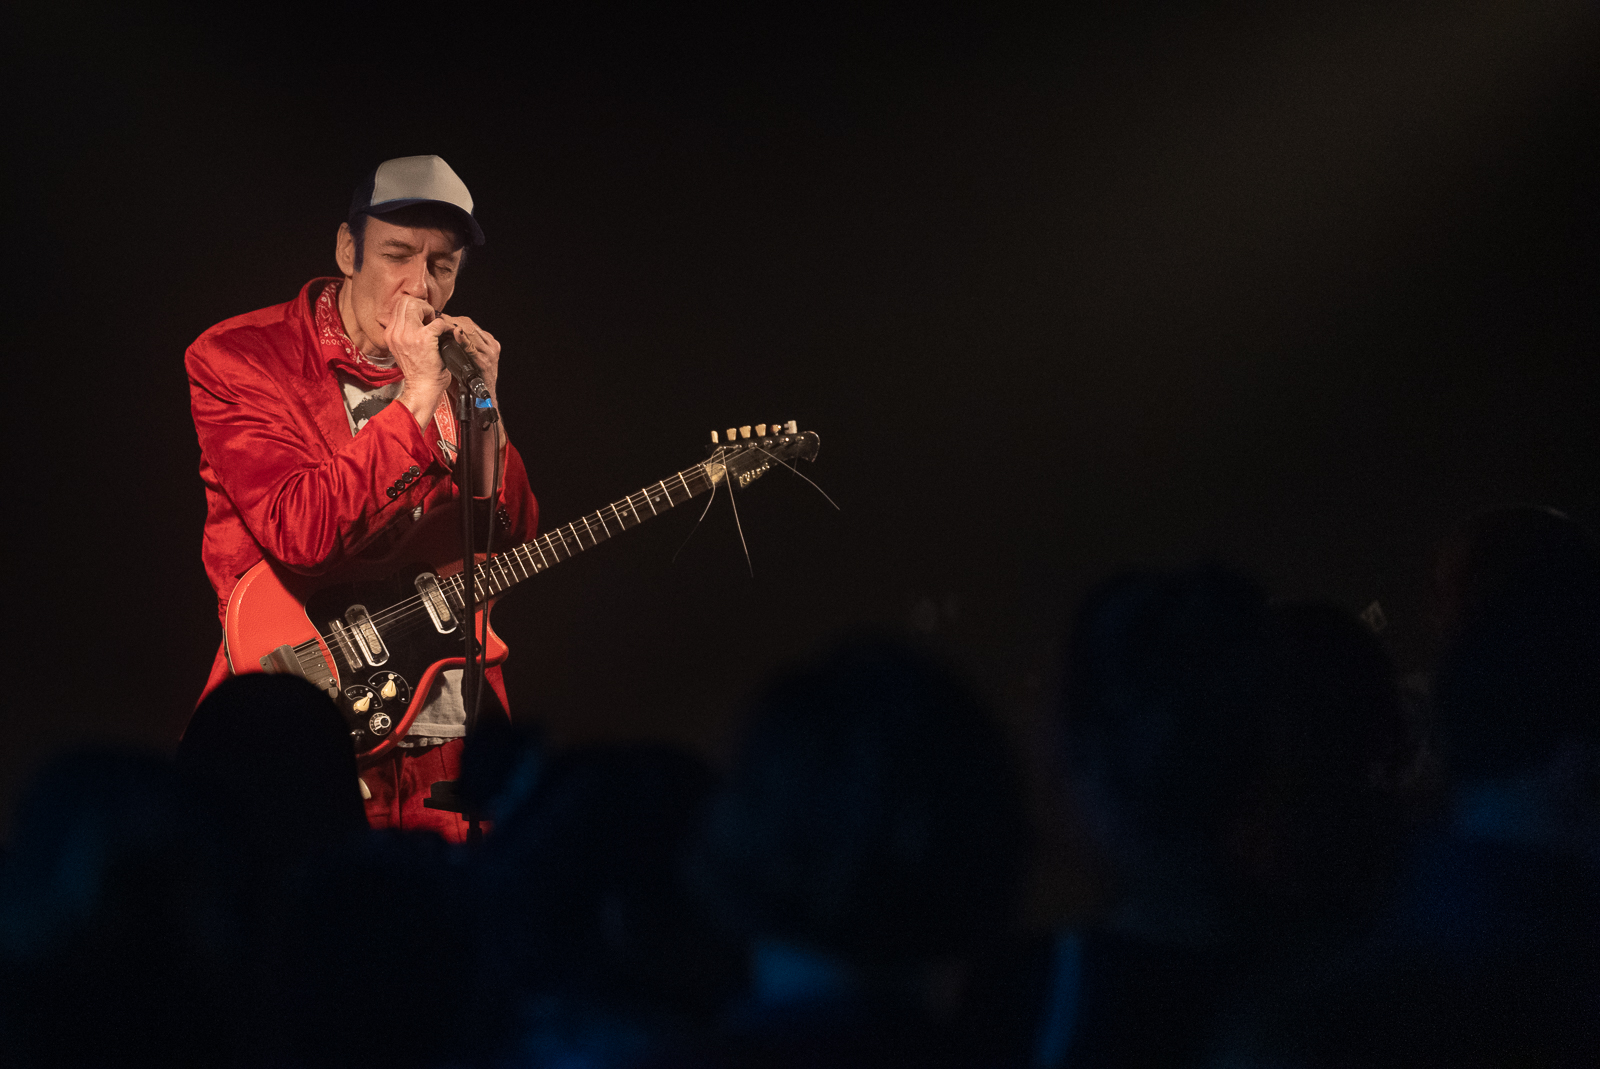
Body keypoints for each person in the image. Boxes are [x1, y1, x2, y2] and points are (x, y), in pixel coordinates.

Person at [186, 155, 539, 841]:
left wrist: (487, 410)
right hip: (299, 738)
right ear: (348, 251)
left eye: (442, 265)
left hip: (446, 741)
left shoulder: (454, 369)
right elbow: (303, 533)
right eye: (397, 255)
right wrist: (417, 398)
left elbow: (510, 533)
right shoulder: (242, 357)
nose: (420, 286)